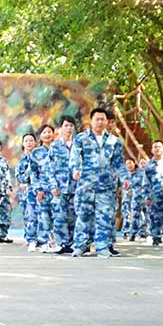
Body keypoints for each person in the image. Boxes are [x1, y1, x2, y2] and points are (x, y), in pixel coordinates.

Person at [70, 107, 130, 258]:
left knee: (104, 217)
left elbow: (118, 163)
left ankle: (102, 247)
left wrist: (125, 178)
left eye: (103, 119)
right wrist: (75, 169)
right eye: (97, 119)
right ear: (91, 121)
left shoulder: (114, 141)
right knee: (83, 217)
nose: (100, 122)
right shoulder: (81, 139)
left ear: (107, 121)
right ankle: (81, 246)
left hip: (105, 187)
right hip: (85, 186)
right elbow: (75, 157)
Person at [49, 115, 78, 254]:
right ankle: (62, 244)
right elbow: (50, 168)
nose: (68, 128)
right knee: (60, 217)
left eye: (71, 126)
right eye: (66, 125)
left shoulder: (79, 145)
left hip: (76, 187)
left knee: (74, 216)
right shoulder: (55, 146)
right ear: (61, 128)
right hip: (60, 187)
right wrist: (53, 185)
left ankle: (73, 243)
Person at [33, 124, 58, 252]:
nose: (47, 134)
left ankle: (57, 242)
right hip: (44, 189)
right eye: (44, 132)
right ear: (40, 136)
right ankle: (44, 242)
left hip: (58, 190)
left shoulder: (59, 149)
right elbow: (33, 173)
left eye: (49, 132)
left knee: (58, 216)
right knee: (44, 216)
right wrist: (38, 190)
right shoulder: (36, 152)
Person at [144, 140, 163, 246]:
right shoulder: (149, 165)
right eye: (155, 147)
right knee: (155, 216)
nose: (157, 149)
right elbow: (145, 181)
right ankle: (156, 236)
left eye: (159, 147)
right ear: (152, 150)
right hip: (155, 194)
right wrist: (146, 196)